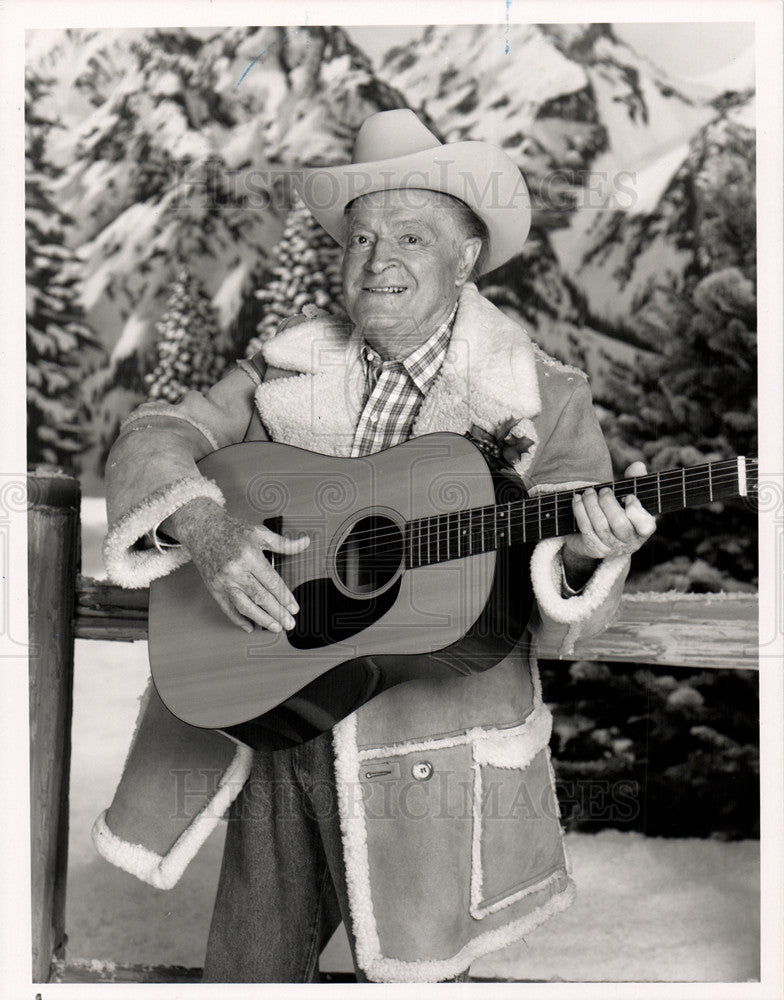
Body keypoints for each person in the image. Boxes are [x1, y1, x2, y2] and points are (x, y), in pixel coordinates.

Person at [95, 110, 656, 983]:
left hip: (437, 749)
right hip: (277, 712)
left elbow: (561, 596)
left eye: (411, 236)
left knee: (419, 968)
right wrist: (203, 523)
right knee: (250, 975)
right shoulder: (281, 368)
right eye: (360, 237)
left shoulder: (542, 396)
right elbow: (155, 432)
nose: (377, 260)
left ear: (466, 257)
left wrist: (588, 555)